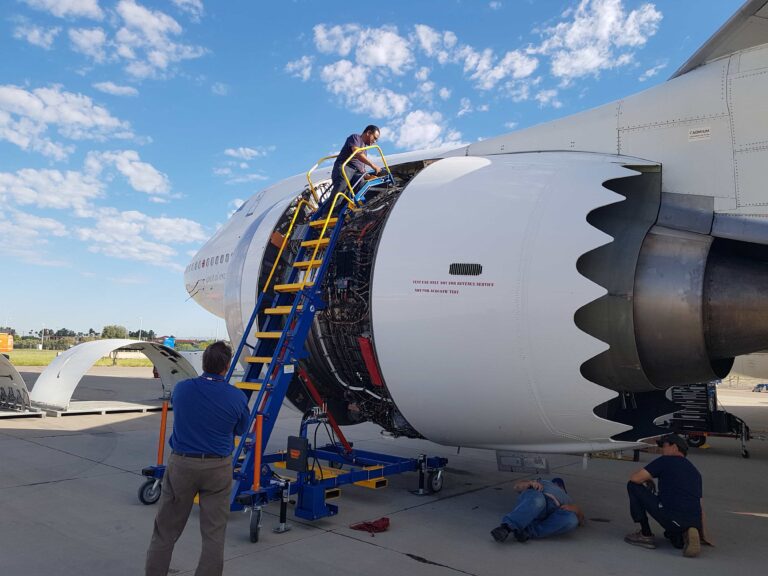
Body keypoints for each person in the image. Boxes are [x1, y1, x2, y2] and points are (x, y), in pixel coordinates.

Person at [145, 341, 250, 576]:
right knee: (213, 534)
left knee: (165, 531)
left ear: (204, 363)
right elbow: (242, 429)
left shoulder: (183, 389)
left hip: (182, 464)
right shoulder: (237, 397)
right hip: (218, 467)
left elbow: (179, 407)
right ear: (226, 366)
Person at [624, 433, 707, 558]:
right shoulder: (695, 472)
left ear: (674, 447)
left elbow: (635, 478)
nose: (662, 449)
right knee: (674, 539)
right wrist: (702, 531)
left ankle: (645, 534)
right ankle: (687, 532)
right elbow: (700, 504)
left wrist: (648, 479)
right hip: (693, 520)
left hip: (671, 515)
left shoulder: (666, 461)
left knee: (633, 486)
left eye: (664, 446)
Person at [491, 477, 584, 543]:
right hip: (534, 501)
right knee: (539, 500)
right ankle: (506, 528)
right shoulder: (542, 482)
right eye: (557, 484)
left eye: (560, 486)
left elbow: (580, 520)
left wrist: (577, 510)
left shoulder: (568, 500)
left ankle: (527, 532)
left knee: (571, 520)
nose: (558, 486)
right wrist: (530, 483)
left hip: (551, 513)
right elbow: (517, 487)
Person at [330, 125, 383, 196]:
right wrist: (373, 165)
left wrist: (368, 177)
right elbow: (357, 153)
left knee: (364, 186)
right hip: (345, 168)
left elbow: (361, 169)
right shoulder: (356, 137)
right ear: (369, 133)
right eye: (375, 138)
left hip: (355, 173)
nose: (375, 141)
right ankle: (332, 206)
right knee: (341, 192)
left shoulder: (364, 151)